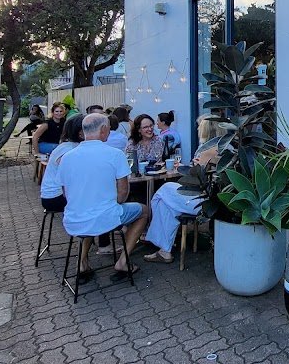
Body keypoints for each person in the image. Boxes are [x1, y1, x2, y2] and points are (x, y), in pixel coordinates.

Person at [58, 113, 147, 279]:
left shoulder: (66, 157)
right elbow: (123, 193)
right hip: (105, 218)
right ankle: (123, 262)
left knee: (90, 215)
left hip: (73, 220)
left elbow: (66, 193)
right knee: (144, 211)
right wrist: (111, 203)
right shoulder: (115, 154)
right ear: (104, 129)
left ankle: (82, 262)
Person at [144, 116, 220, 262]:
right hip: (210, 198)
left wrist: (187, 168)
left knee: (163, 191)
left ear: (205, 129)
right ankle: (164, 250)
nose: (197, 129)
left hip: (203, 200)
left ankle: (157, 240)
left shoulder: (208, 150)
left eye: (199, 126)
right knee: (167, 204)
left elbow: (197, 177)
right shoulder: (222, 147)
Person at [39, 114, 85, 212]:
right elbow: (69, 179)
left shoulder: (69, 146)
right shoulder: (70, 149)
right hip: (54, 197)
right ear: (80, 132)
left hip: (55, 195)